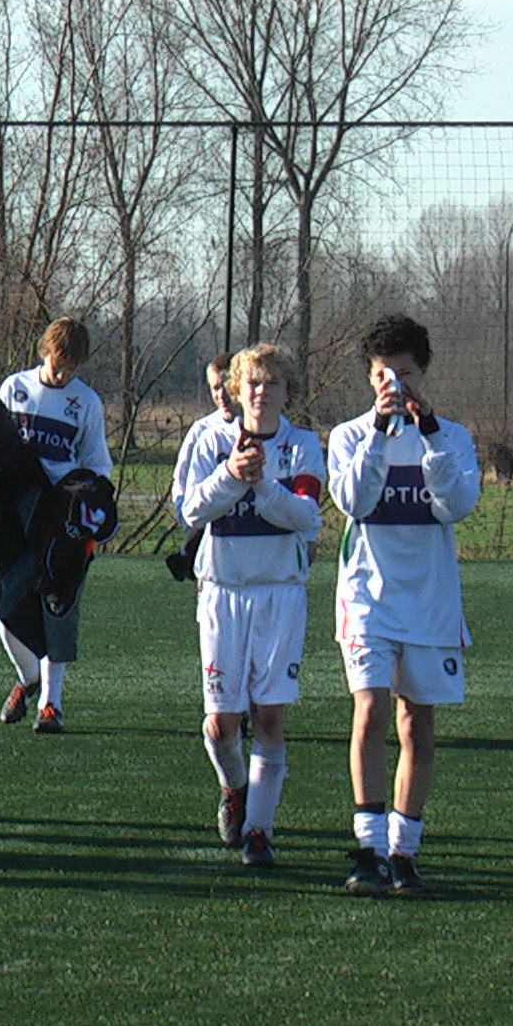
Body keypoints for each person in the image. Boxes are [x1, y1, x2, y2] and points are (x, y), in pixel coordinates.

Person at [328, 315, 480, 896]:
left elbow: (456, 505)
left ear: (424, 372)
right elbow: (353, 500)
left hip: (429, 602)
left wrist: (430, 435)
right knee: (369, 710)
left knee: (416, 722)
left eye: (406, 373)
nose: (395, 384)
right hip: (368, 598)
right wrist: (379, 432)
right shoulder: (349, 436)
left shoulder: (452, 437)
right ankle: (368, 848)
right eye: (383, 375)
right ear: (370, 378)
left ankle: (404, 852)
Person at [174, 344, 323, 868]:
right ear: (236, 391)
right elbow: (190, 510)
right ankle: (234, 788)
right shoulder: (210, 440)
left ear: (288, 392)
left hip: (280, 594)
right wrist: (232, 475)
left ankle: (260, 830)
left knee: (269, 716)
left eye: (272, 383)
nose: (261, 393)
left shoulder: (302, 446)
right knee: (221, 724)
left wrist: (264, 487)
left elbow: (306, 516)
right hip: (222, 591)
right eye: (253, 383)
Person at [0, 317, 114, 734]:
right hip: (15, 510)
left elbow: (97, 463)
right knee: (5, 603)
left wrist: (89, 497)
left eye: (71, 368)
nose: (62, 375)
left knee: (57, 605)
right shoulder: (15, 388)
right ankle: (29, 679)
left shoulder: (87, 402)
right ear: (45, 352)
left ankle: (51, 704)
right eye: (58, 364)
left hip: (60, 516)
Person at [166, 352, 234, 582]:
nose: (221, 394)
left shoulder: (259, 427)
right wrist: (190, 529)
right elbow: (182, 484)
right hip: (209, 541)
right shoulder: (202, 430)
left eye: (226, 386)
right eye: (215, 388)